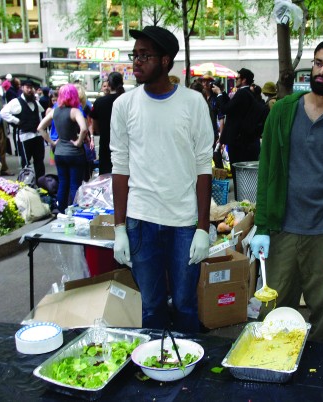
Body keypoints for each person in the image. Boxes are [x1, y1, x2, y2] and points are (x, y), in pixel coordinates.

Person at [250, 39, 323, 343]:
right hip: (283, 228)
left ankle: (322, 377)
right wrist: (261, 226)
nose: (322, 71)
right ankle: (274, 368)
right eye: (318, 63)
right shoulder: (284, 112)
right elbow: (267, 173)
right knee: (273, 305)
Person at [110, 26, 213, 332]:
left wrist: (203, 229)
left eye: (145, 55)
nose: (136, 62)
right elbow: (120, 166)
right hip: (141, 221)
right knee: (151, 306)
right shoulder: (123, 106)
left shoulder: (193, 103)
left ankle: (187, 372)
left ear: (166, 61)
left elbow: (203, 167)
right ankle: (153, 366)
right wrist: (119, 229)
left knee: (184, 304)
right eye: (135, 55)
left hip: (183, 223)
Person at [37, 84, 88, 212]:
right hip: (75, 153)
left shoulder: (54, 111)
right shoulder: (75, 111)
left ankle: (61, 210)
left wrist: (52, 142)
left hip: (59, 152)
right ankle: (74, 210)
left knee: (63, 183)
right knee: (75, 184)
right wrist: (78, 142)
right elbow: (84, 129)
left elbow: (40, 128)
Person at [212, 67, 259, 200]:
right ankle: (243, 199)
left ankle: (241, 199)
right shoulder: (247, 93)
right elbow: (233, 106)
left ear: (243, 80)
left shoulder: (242, 93)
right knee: (241, 173)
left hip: (237, 141)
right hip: (243, 140)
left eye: (237, 78)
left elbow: (227, 109)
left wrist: (220, 94)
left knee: (236, 171)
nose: (235, 80)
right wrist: (224, 94)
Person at [0, 79, 46, 182]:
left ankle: (41, 183)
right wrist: (17, 121)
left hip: (37, 136)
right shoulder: (16, 102)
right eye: (27, 87)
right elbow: (3, 113)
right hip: (24, 136)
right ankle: (26, 184)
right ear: (22, 88)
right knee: (26, 162)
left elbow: (40, 116)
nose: (30, 90)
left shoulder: (35, 102)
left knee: (39, 161)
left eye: (31, 88)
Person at [89, 71, 125, 175]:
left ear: (109, 84)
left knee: (105, 176)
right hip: (124, 143)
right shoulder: (127, 100)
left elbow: (94, 123)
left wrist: (101, 131)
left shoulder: (100, 102)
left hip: (105, 142)